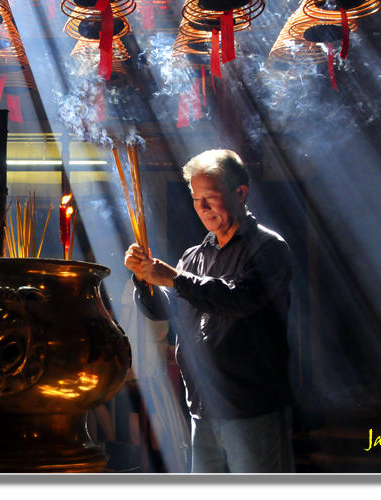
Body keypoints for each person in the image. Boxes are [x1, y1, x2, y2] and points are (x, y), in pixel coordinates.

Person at [124, 149, 294, 473]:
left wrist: (175, 278)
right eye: (196, 199)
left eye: (211, 198)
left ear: (240, 193)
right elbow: (165, 310)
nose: (202, 208)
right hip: (202, 406)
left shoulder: (268, 248)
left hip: (250, 407)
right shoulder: (194, 256)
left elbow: (239, 300)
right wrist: (145, 281)